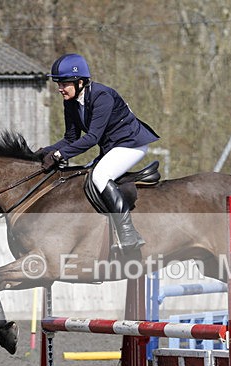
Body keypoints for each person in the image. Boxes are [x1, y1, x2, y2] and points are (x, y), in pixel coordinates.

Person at [37, 53, 159, 252]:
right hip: (112, 147)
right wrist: (45, 152)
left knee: (100, 176)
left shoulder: (101, 96)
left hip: (131, 144)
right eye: (58, 83)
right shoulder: (70, 102)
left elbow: (92, 138)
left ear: (80, 82)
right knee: (82, 176)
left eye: (64, 83)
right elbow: (70, 138)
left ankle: (128, 234)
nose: (60, 88)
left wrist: (59, 156)